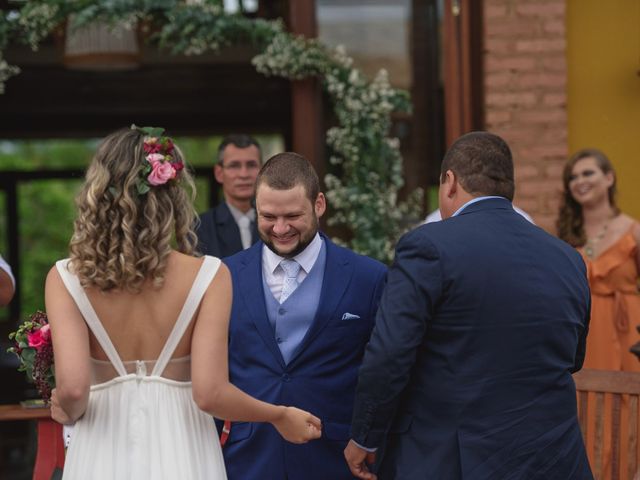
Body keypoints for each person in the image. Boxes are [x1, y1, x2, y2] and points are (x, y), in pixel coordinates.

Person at [46, 127, 321, 479]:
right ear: (171, 195)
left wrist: (66, 409)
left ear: (98, 194)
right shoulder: (209, 275)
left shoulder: (65, 277)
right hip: (184, 448)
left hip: (101, 448)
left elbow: (72, 389)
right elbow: (210, 394)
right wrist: (279, 415)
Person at [345, 131, 592, 479]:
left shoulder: (427, 246)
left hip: (456, 458)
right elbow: (573, 357)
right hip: (554, 457)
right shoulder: (569, 258)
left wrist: (365, 437)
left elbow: (389, 354)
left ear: (449, 182)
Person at [221, 152, 387, 480]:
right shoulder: (223, 275)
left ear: (319, 204)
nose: (280, 229)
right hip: (245, 458)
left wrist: (368, 438)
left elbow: (384, 370)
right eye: (268, 216)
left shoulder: (369, 277)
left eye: (292, 216)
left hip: (335, 458)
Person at [557, 148, 640, 479]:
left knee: (627, 410)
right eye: (573, 177)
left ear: (609, 177)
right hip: (583, 336)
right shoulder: (565, 237)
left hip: (627, 334)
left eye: (588, 173)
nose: (580, 181)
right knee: (586, 412)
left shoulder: (633, 230)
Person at [196, 134, 261, 257]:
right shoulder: (200, 228)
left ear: (262, 171)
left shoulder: (278, 224)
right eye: (234, 166)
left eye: (251, 165)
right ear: (219, 173)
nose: (244, 174)